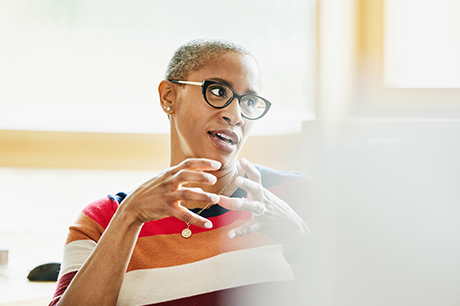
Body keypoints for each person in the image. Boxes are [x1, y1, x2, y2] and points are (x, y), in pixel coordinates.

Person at [49, 38, 313, 306]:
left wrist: (301, 241)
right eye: (219, 92)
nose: (235, 115)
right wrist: (129, 218)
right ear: (169, 97)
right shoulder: (102, 221)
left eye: (249, 101)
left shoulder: (300, 196)